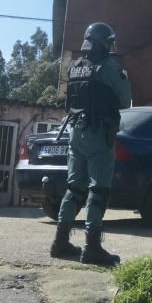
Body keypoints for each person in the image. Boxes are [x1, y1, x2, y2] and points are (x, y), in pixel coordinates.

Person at [51, 22, 132, 266]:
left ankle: (60, 241)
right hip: (99, 133)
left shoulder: (75, 67)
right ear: (103, 42)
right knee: (99, 189)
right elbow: (126, 100)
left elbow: (69, 102)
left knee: (75, 187)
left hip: (76, 132)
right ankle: (92, 247)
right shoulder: (108, 67)